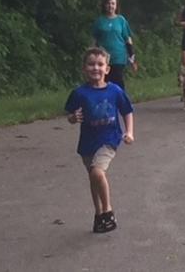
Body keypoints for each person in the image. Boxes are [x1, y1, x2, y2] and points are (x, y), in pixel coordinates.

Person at [64, 47, 134, 233]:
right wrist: (73, 118)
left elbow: (127, 111)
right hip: (88, 142)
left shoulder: (115, 91)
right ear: (84, 68)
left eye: (100, 64)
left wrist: (129, 132)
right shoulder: (80, 93)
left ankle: (108, 211)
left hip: (109, 139)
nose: (96, 68)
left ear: (107, 69)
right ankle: (99, 214)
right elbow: (70, 114)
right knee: (94, 178)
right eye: (91, 64)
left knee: (97, 172)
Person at [92, 0, 136, 90]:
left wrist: (131, 55)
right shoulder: (100, 21)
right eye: (108, 3)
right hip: (103, 57)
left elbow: (127, 38)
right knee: (104, 81)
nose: (110, 6)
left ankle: (121, 101)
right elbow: (95, 40)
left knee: (118, 81)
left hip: (118, 57)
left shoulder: (121, 20)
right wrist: (92, 55)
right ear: (104, 5)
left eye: (113, 3)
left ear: (116, 6)